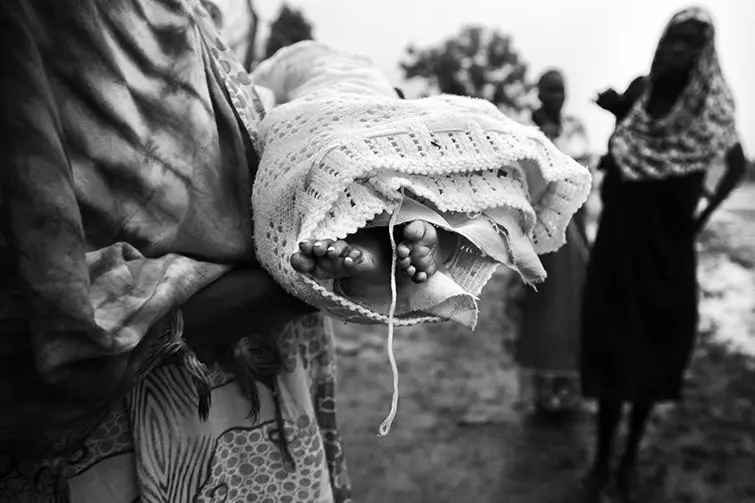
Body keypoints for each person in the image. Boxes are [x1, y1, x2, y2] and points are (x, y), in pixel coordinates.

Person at [0, 2, 591, 502]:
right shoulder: (49, 30)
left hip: (274, 411)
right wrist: (300, 273)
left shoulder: (197, 25)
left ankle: (384, 215)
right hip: (134, 451)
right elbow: (56, 321)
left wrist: (369, 206)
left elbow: (291, 112)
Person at [580, 8, 747, 502]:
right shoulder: (640, 92)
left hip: (667, 248)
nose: (680, 50)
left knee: (653, 348)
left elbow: (734, 165)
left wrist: (699, 220)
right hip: (618, 242)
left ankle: (629, 459)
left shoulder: (710, 110)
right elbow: (628, 149)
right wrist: (615, 114)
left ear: (706, 51)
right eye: (674, 39)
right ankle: (602, 460)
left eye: (693, 43)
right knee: (612, 344)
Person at [511, 69, 592, 415]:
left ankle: (565, 388)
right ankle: (542, 392)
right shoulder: (526, 133)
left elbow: (584, 183)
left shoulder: (575, 129)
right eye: (549, 90)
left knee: (569, 310)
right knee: (539, 310)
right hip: (537, 231)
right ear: (539, 94)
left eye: (560, 89)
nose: (555, 96)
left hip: (573, 234)